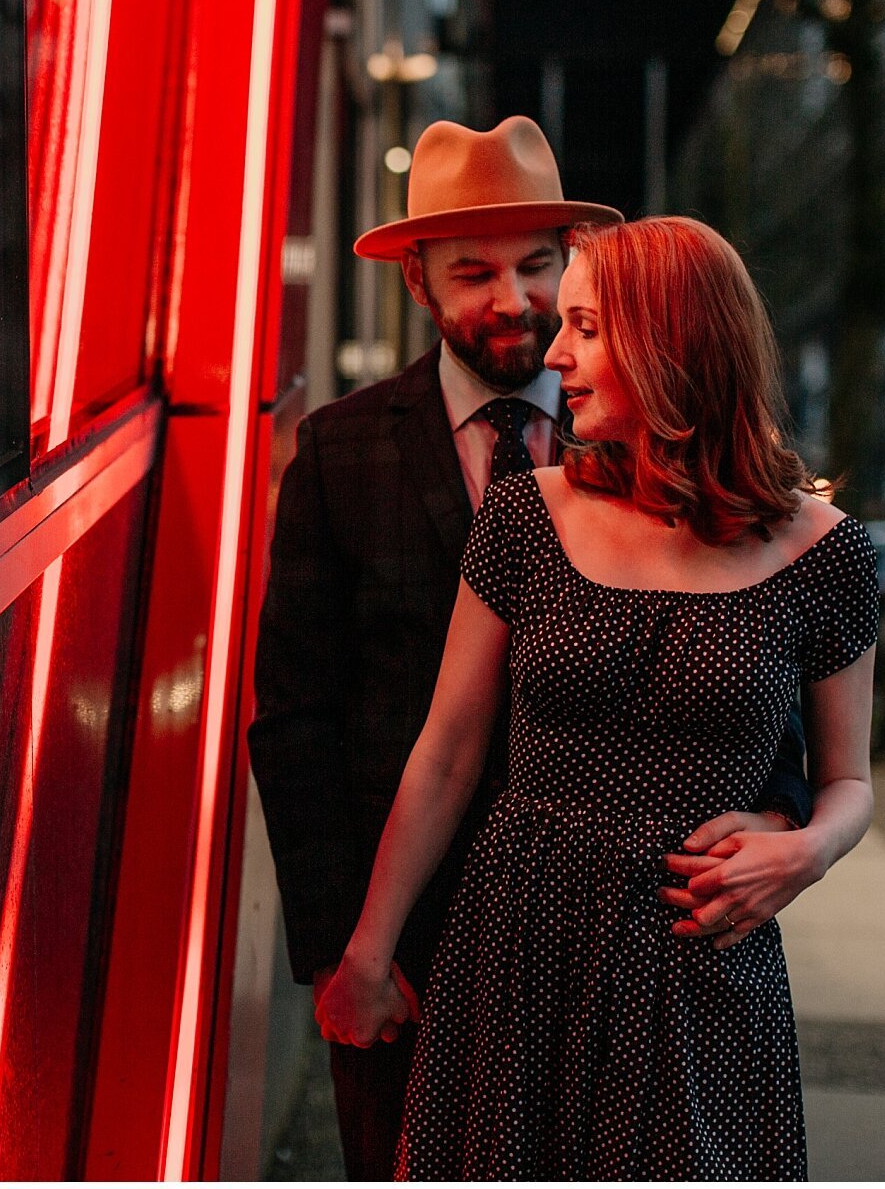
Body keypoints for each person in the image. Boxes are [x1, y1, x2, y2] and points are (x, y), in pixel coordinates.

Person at [247, 117, 819, 1181]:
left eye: (534, 267)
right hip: (408, 936)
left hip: (639, 934)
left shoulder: (657, 447)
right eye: (472, 272)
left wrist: (780, 814)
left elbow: (750, 657)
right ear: (417, 283)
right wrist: (339, 949)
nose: (511, 301)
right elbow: (292, 717)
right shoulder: (339, 449)